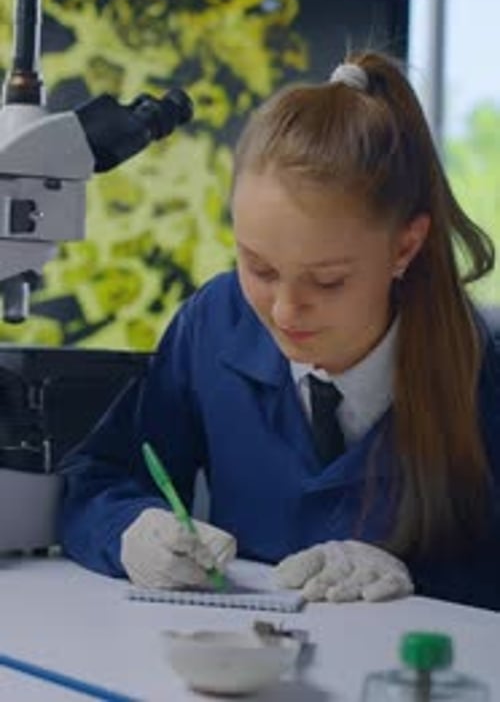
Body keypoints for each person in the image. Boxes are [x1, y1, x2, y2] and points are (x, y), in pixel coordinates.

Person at [58, 51, 500, 610]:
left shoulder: (483, 367)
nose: (287, 311)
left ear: (404, 247)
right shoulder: (216, 322)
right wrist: (129, 531)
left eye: (328, 281)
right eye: (259, 268)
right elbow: (98, 479)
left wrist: (415, 580)